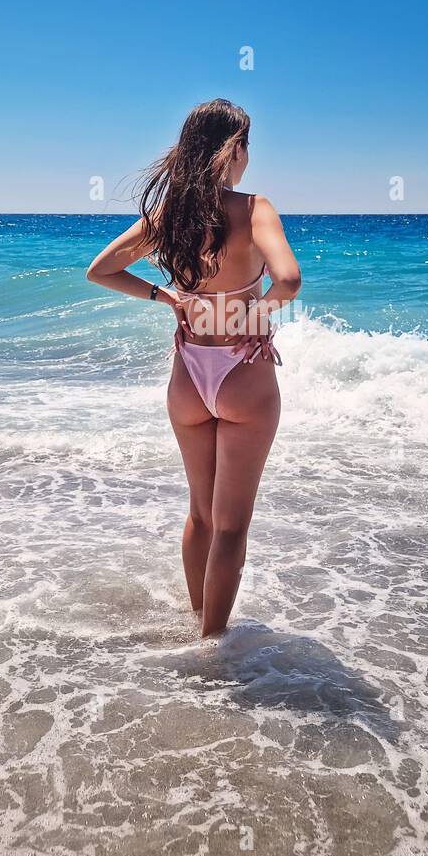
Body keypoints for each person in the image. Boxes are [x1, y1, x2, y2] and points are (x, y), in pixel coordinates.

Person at [86, 99, 302, 636]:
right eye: (246, 145)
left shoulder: (171, 216)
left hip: (188, 376)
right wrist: (257, 315)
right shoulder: (254, 209)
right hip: (242, 374)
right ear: (234, 150)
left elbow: (101, 270)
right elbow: (290, 281)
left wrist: (170, 299)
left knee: (201, 516)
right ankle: (214, 648)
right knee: (231, 527)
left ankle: (199, 626)